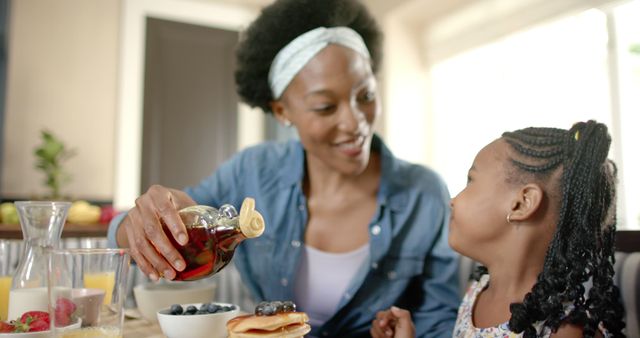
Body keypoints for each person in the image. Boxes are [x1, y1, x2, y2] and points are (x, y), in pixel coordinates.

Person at [107, 0, 460, 336]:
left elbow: (439, 319)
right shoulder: (252, 171)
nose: (355, 122)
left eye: (365, 96)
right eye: (325, 107)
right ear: (281, 112)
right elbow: (149, 234)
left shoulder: (424, 193)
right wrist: (141, 225)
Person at [371, 120, 626, 338]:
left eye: (470, 180)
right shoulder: (478, 290)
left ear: (521, 203)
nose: (453, 200)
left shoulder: (564, 332)